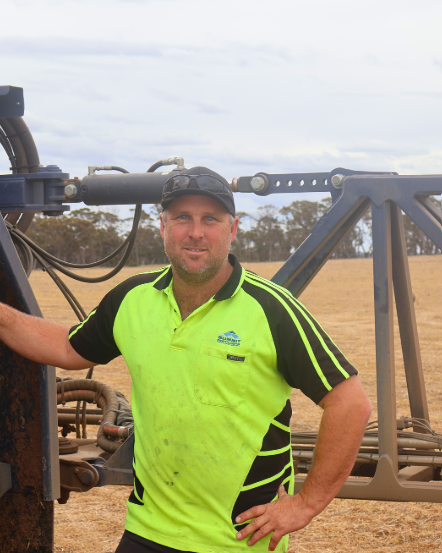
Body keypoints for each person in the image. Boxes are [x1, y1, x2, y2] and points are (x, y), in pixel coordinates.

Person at [0, 167, 372, 553]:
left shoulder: (272, 309)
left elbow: (350, 404)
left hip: (238, 539)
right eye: (182, 218)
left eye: (210, 219)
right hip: (149, 528)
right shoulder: (133, 299)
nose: (196, 232)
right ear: (163, 227)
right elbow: (65, 346)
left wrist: (306, 505)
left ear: (232, 230)